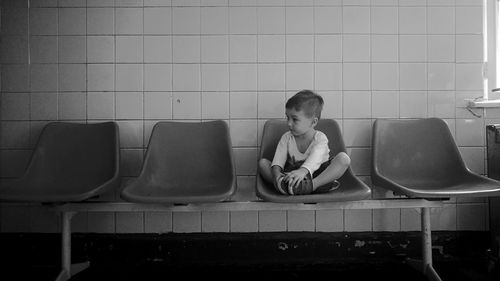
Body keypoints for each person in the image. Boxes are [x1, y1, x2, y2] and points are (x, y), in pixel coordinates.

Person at [258, 90, 351, 195]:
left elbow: (315, 157)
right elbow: (278, 160)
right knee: (263, 164)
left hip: (318, 178)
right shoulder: (287, 138)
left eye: (295, 119)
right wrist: (277, 175)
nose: (289, 123)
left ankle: (310, 186)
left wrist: (303, 171)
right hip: (292, 178)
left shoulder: (320, 138)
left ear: (313, 122)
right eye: (287, 118)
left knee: (343, 159)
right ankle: (282, 184)